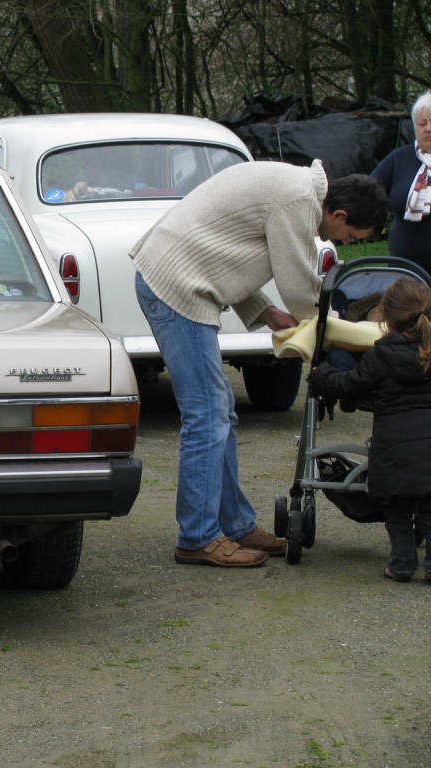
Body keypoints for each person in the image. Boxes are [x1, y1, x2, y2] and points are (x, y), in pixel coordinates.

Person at [131, 160, 389, 567]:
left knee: (220, 413)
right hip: (175, 287)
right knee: (207, 415)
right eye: (351, 235)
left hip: (182, 278)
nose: (346, 242)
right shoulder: (299, 200)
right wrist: (346, 331)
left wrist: (265, 311)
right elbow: (301, 292)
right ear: (339, 215)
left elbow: (225, 251)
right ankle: (197, 537)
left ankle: (235, 525)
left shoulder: (295, 189)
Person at [309, 278, 431, 582]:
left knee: (397, 512)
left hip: (394, 453)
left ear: (385, 318)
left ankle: (401, 564)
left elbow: (351, 385)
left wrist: (322, 374)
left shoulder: (381, 356)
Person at [370, 91, 431, 269]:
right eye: (422, 123)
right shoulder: (399, 158)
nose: (428, 128)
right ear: (415, 128)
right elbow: (367, 190)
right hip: (405, 263)